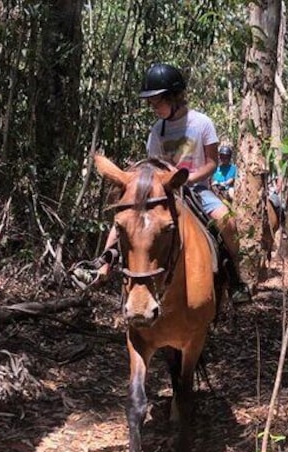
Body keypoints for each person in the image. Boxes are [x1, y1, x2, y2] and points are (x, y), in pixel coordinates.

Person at [84, 63, 250, 304]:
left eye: (158, 102)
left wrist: (186, 179)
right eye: (151, 103)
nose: (154, 108)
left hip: (195, 187)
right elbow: (152, 165)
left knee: (226, 220)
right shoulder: (156, 131)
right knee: (127, 216)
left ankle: (236, 279)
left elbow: (212, 163)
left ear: (174, 97)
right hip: (161, 188)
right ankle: (103, 262)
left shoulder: (202, 124)